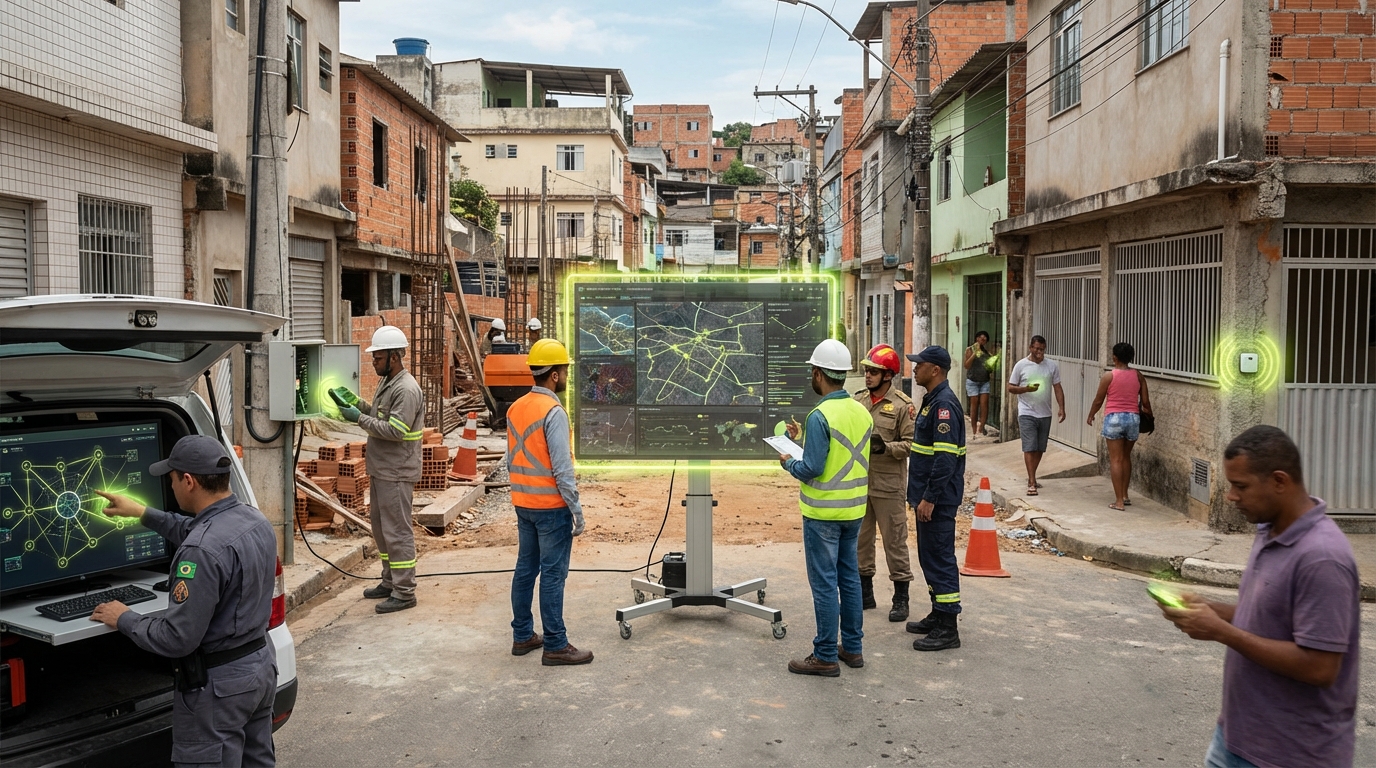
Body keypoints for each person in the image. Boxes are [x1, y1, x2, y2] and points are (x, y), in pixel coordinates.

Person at [1160, 426, 1359, 768]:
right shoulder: (1270, 529)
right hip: (1234, 740)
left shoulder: (1322, 557)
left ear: (1279, 481)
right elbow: (1271, 617)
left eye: (1241, 486)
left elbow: (1320, 666)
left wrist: (1222, 632)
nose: (1231, 497)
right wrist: (1213, 611)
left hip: (1291, 756)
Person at [91, 435, 278, 767]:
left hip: (219, 689)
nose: (171, 485)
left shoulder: (200, 551)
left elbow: (177, 638)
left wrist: (124, 618)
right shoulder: (255, 520)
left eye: (173, 478)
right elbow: (197, 529)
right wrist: (142, 513)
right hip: (260, 668)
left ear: (189, 481)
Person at [779, 338, 873, 677]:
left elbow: (813, 468)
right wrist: (803, 440)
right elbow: (838, 455)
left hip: (823, 513)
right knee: (850, 580)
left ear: (818, 373)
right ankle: (853, 648)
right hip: (854, 511)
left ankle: (825, 655)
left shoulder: (820, 415)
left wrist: (789, 462)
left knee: (824, 584)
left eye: (812, 372)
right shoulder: (862, 411)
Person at [506, 338, 592, 666]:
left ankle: (522, 636)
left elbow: (511, 458)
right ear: (554, 375)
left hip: (524, 504)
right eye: (565, 371)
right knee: (553, 575)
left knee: (525, 569)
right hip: (551, 509)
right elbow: (562, 468)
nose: (567, 376)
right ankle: (555, 644)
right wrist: (576, 510)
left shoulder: (516, 408)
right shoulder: (553, 411)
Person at [338, 325, 424, 614]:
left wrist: (358, 418)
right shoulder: (388, 382)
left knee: (397, 531)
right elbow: (380, 416)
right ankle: (390, 582)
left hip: (397, 471)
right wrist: (359, 405)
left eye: (377, 357)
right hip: (383, 469)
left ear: (394, 357)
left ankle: (404, 590)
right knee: (382, 529)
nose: (373, 362)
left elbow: (396, 430)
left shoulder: (406, 389)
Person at [904, 346, 967, 652]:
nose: (915, 369)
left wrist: (929, 497)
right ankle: (938, 612)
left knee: (940, 559)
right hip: (927, 497)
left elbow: (945, 459)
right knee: (929, 557)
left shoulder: (944, 405)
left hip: (937, 500)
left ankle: (948, 627)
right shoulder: (932, 401)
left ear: (936, 370)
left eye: (920, 364)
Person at [852, 343, 915, 622]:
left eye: (874, 372)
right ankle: (865, 593)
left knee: (895, 542)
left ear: (888, 375)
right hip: (860, 483)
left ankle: (901, 598)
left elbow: (911, 445)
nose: (867, 376)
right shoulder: (858, 401)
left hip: (889, 486)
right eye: (867, 371)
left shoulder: (903, 405)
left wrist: (886, 448)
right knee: (861, 541)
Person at [1086, 342, 1153, 511]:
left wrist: (1091, 414)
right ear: (1131, 357)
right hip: (1133, 419)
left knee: (1116, 459)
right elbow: (1145, 402)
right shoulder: (1138, 376)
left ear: (1114, 357)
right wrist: (1150, 418)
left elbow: (1098, 400)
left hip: (1114, 418)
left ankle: (1118, 502)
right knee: (1125, 457)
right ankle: (1125, 495)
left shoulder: (1109, 377)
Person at [1006, 336, 1065, 496]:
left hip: (1045, 413)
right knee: (1029, 447)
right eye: (1037, 349)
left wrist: (1061, 407)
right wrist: (1026, 389)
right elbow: (1010, 387)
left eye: (1042, 349)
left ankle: (1032, 475)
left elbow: (1057, 387)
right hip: (1027, 412)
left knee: (1040, 448)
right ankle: (1032, 481)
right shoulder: (1021, 365)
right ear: (1031, 348)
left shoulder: (1051, 365)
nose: (1040, 352)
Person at [963, 331, 994, 437]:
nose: (982, 340)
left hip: (984, 381)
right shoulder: (970, 349)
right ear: (977, 339)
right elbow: (966, 366)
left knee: (984, 404)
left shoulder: (987, 353)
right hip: (972, 381)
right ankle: (974, 429)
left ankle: (981, 426)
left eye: (985, 339)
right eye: (981, 338)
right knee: (974, 405)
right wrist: (974, 354)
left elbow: (990, 369)